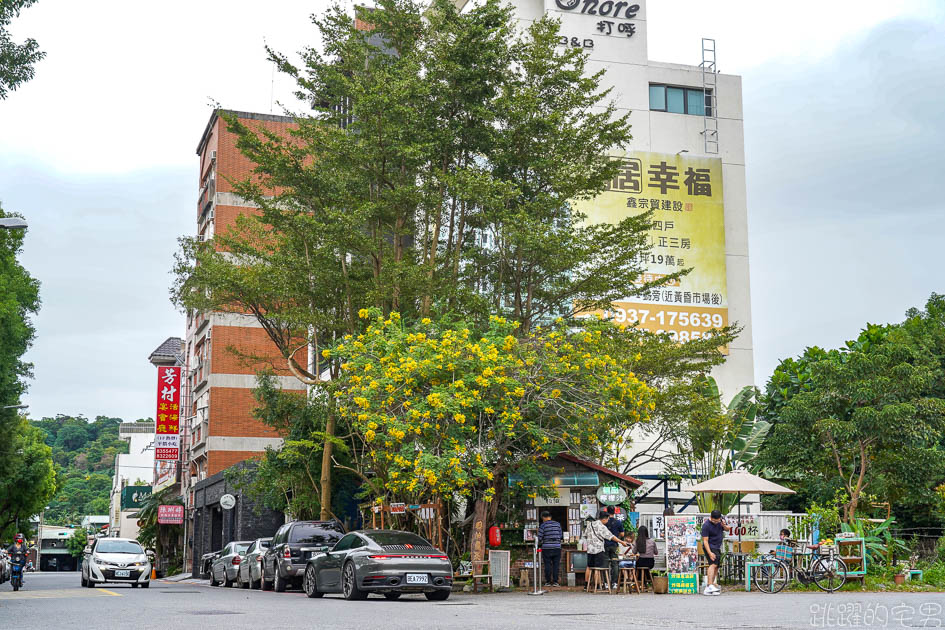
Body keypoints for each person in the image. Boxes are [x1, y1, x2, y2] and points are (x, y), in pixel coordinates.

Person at [582, 510, 626, 591]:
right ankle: (597, 585)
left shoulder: (590, 524)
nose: (608, 521)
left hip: (590, 549)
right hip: (598, 550)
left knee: (589, 567)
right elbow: (611, 536)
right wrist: (621, 542)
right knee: (597, 568)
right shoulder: (602, 527)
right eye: (608, 519)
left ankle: (586, 585)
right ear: (604, 519)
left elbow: (585, 535)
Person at [700, 510, 731, 596]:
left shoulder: (721, 521)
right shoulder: (706, 525)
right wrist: (709, 553)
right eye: (715, 521)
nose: (716, 522)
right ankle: (709, 585)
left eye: (717, 520)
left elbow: (728, 529)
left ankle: (711, 585)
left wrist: (723, 525)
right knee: (713, 564)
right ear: (711, 518)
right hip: (709, 546)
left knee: (716, 566)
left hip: (717, 546)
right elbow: (705, 541)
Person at [537, 511, 563, 587]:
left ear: (544, 517)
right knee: (556, 565)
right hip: (557, 547)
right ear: (550, 517)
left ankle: (548, 582)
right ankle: (555, 582)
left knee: (547, 565)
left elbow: (539, 537)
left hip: (546, 548)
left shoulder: (543, 525)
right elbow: (561, 536)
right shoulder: (557, 524)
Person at [604, 506, 623, 589]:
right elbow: (622, 534)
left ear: (607, 512)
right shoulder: (618, 522)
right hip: (615, 545)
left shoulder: (604, 522)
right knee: (615, 564)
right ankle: (614, 583)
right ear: (614, 512)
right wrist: (617, 537)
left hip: (605, 545)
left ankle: (606, 583)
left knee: (605, 564)